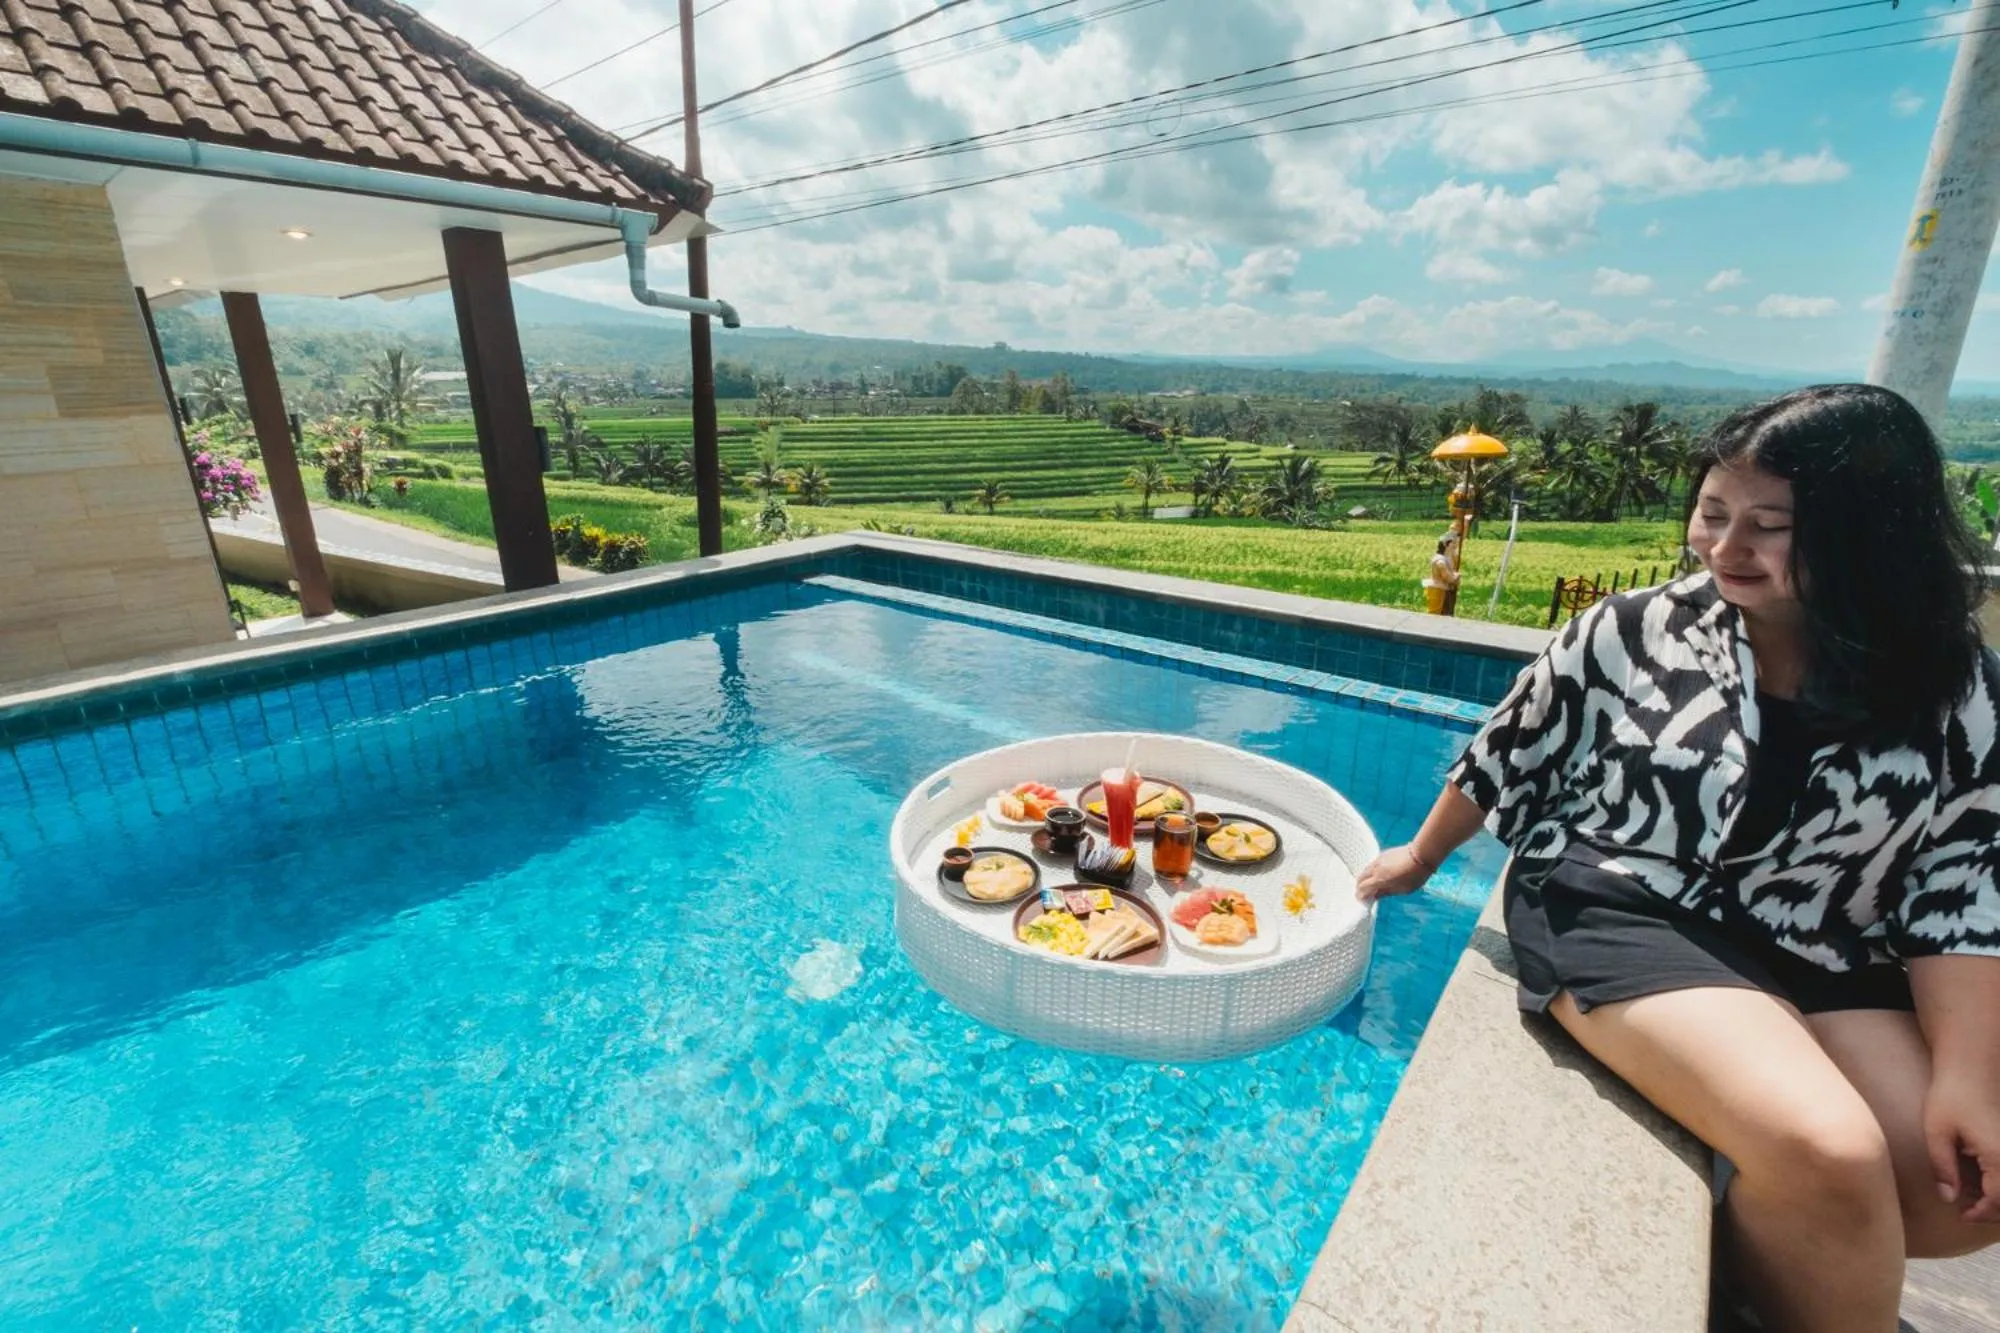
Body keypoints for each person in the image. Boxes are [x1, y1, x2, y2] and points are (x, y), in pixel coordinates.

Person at [1356, 384, 2000, 1332]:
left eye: (1769, 526)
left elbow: (1963, 883)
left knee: (1960, 1190)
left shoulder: (1954, 683)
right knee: (1828, 1147)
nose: (1725, 547)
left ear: (1869, 536)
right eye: (1713, 511)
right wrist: (1417, 857)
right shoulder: (1635, 630)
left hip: (1819, 939)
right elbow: (1508, 749)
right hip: (1625, 902)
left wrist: (1967, 1074)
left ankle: (1756, 1262)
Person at [1423, 534, 1460, 616]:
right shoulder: (1440, 562)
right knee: (1435, 613)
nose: (1455, 545)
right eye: (1452, 543)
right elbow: (1448, 578)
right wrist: (1456, 576)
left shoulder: (1446, 558)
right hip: (1438, 589)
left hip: (1442, 589)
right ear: (1445, 544)